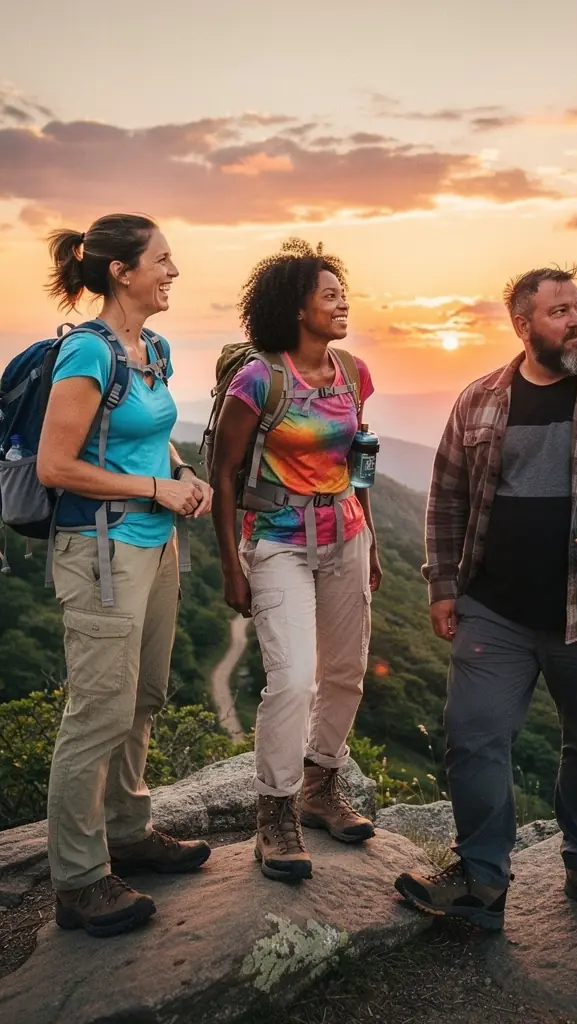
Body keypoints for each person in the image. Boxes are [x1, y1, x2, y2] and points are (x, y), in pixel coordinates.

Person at [395, 265, 577, 930]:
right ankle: (480, 877)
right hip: (493, 610)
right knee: (474, 737)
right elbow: (447, 499)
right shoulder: (480, 400)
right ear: (523, 326)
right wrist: (443, 587)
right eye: (560, 311)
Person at [37, 213, 214, 938]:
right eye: (163, 261)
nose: (174, 272)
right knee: (97, 711)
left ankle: (130, 831)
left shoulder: (155, 348)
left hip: (157, 545)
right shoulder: (86, 354)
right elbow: (57, 466)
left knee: (142, 695)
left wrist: (180, 474)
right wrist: (153, 492)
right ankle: (78, 881)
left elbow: (148, 438)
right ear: (121, 271)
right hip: (101, 553)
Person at [212, 238, 382, 883]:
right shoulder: (259, 378)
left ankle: (320, 787)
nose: (343, 304)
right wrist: (232, 566)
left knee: (346, 672)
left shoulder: (355, 373)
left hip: (347, 534)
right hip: (278, 542)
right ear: (295, 307)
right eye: (329, 295)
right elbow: (224, 473)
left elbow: (358, 458)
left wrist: (375, 544)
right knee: (292, 678)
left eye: (344, 294)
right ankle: (275, 813)